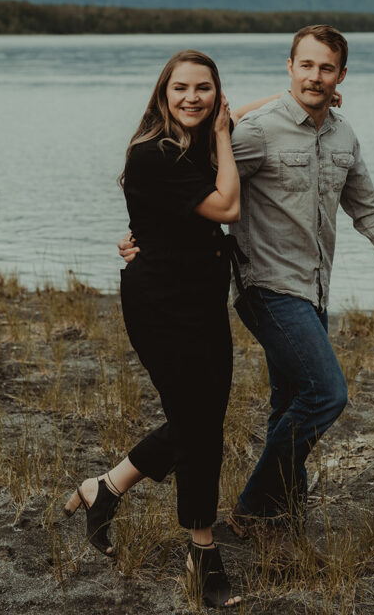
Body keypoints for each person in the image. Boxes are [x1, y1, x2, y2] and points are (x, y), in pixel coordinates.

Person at [121, 25, 374, 552]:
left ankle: (276, 522)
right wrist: (141, 237)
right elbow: (184, 178)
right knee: (326, 394)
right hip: (265, 286)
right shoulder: (258, 133)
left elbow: (366, 207)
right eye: (306, 65)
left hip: (313, 288)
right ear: (290, 67)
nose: (315, 76)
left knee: (290, 400)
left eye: (326, 68)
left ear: (341, 75)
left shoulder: (343, 136)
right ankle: (253, 507)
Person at [65, 49, 246, 608]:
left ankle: (107, 487)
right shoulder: (152, 155)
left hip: (205, 304)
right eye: (181, 89)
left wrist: (305, 99)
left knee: (202, 416)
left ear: (217, 95)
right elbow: (227, 205)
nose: (192, 97)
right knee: (198, 425)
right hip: (160, 307)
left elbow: (250, 110)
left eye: (205, 89)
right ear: (162, 95)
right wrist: (222, 136)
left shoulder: (194, 138)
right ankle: (201, 550)